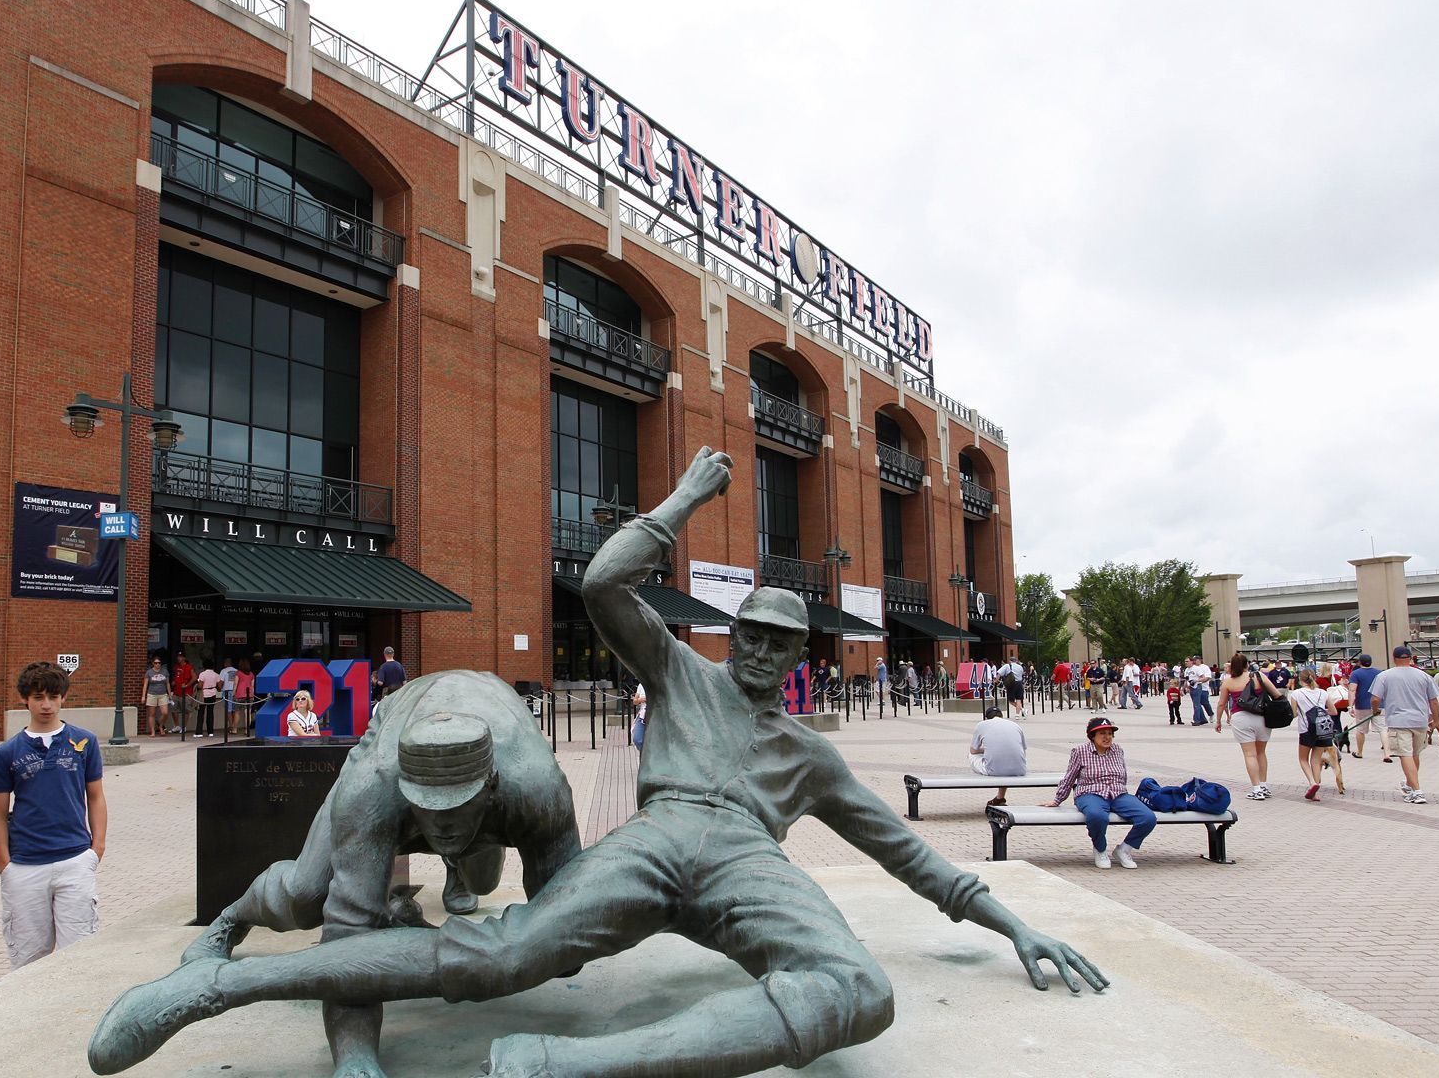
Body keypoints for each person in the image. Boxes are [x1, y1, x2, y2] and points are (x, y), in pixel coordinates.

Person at [91, 446, 1105, 1078]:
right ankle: (212, 990)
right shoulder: (680, 671)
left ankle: (560, 1065)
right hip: (652, 843)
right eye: (746, 630)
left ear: (801, 655)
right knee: (502, 953)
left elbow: (910, 857)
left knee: (859, 991)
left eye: (775, 641)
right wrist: (678, 504)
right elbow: (608, 584)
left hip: (750, 868)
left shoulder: (809, 757)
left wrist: (1008, 922)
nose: (755, 649)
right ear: (732, 631)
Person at [180, 670, 584, 1073]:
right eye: (428, 806)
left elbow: (567, 927)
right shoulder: (372, 790)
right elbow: (346, 944)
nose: (441, 823)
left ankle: (455, 869)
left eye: (455, 807)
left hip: (498, 763)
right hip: (392, 737)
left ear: (492, 787)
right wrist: (355, 1058)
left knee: (532, 928)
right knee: (304, 896)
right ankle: (231, 920)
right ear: (404, 790)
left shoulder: (538, 790)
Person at [0, 661, 107, 969]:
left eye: (53, 697)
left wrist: (97, 848)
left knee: (78, 955)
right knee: (27, 960)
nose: (46, 705)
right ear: (25, 699)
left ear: (63, 698)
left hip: (75, 860)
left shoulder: (84, 742)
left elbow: (95, 796)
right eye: (39, 697)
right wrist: (5, 865)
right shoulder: (6, 753)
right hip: (25, 865)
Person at [1041, 716, 1154, 870]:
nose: (1107, 737)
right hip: (1089, 793)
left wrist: (1123, 794)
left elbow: (1123, 774)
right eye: (1102, 734)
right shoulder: (1080, 751)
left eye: (1109, 733)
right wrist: (1057, 799)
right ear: (1092, 736)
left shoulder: (1117, 750)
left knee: (1148, 818)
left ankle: (1124, 850)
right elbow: (1069, 777)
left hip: (1118, 793)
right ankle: (1100, 849)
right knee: (1097, 816)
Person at [1370, 645, 1439, 804]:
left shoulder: (1385, 676)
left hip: (1398, 720)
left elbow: (1375, 698)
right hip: (1420, 720)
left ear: (1394, 659)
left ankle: (1417, 791)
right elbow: (1434, 701)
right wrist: (1436, 720)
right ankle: (1410, 785)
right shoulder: (1424, 676)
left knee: (1405, 754)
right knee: (1414, 753)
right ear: (1410, 658)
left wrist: (1375, 710)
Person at [1215, 653, 1286, 801]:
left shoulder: (1228, 682)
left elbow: (1221, 703)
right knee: (1261, 753)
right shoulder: (1258, 676)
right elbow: (1276, 693)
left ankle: (1256, 789)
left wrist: (1218, 721)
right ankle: (1264, 785)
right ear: (1247, 665)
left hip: (1241, 718)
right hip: (1261, 717)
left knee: (1249, 754)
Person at [1290, 670, 1344, 801]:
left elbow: (1294, 713)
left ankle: (1312, 783)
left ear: (1300, 680)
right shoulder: (1323, 693)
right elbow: (1333, 711)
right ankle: (1315, 790)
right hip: (1323, 730)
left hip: (1306, 730)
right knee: (1316, 759)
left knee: (1303, 759)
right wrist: (1320, 712)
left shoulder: (1296, 693)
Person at [968, 705, 1027, 807]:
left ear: (986, 718)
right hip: (1020, 769)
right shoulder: (1015, 725)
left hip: (994, 770)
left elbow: (973, 751)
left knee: (971, 755)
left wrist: (986, 750)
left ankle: (997, 796)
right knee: (1005, 760)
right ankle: (1000, 798)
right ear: (1001, 716)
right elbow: (1023, 751)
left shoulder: (981, 725)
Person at [1347, 653, 1383, 761]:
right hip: (1380, 704)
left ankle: (1360, 752)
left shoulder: (1355, 674)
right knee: (1383, 729)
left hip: (1362, 705)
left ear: (1360, 662)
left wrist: (1350, 706)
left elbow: (1352, 690)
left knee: (1361, 730)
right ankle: (1387, 752)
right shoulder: (1380, 673)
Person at [141, 657, 171, 737]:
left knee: (165, 713)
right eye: (156, 663)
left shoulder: (165, 671)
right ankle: (153, 731)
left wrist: (169, 694)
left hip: (163, 694)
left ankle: (160, 726)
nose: (157, 664)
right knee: (152, 713)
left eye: (159, 663)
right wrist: (143, 696)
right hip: (152, 694)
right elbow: (145, 685)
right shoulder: (149, 672)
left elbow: (167, 683)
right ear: (153, 663)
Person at [195, 662, 221, 738]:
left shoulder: (202, 674)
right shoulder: (216, 675)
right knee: (210, 713)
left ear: (204, 667)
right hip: (213, 694)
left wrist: (197, 685)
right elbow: (219, 688)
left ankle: (199, 732)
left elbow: (200, 686)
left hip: (204, 694)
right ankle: (210, 732)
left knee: (201, 713)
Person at [170, 654, 195, 733]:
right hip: (176, 692)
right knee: (174, 709)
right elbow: (176, 676)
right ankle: (177, 726)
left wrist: (187, 685)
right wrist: (174, 681)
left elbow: (194, 677)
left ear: (184, 658)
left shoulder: (189, 667)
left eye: (180, 657)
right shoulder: (176, 667)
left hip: (186, 692)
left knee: (186, 710)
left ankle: (184, 727)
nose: (178, 658)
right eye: (178, 656)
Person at [219, 659, 240, 735]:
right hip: (236, 691)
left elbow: (221, 682)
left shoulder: (223, 671)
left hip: (227, 692)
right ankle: (235, 727)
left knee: (228, 710)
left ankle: (231, 726)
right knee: (235, 710)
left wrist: (219, 688)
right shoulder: (236, 671)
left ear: (225, 664)